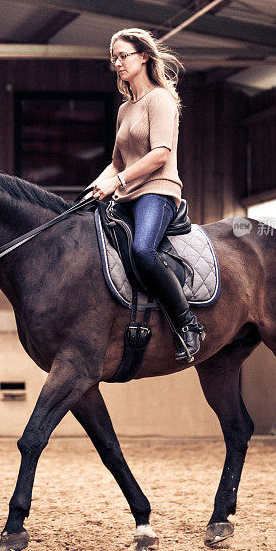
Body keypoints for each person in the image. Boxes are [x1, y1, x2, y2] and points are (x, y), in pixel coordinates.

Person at [90, 28, 205, 362]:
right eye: (114, 57)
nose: (118, 63)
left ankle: (188, 324)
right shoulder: (126, 109)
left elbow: (160, 155)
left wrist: (118, 181)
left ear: (144, 56)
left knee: (142, 250)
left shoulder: (161, 100)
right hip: (127, 195)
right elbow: (115, 163)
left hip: (158, 192)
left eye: (123, 55)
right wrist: (90, 192)